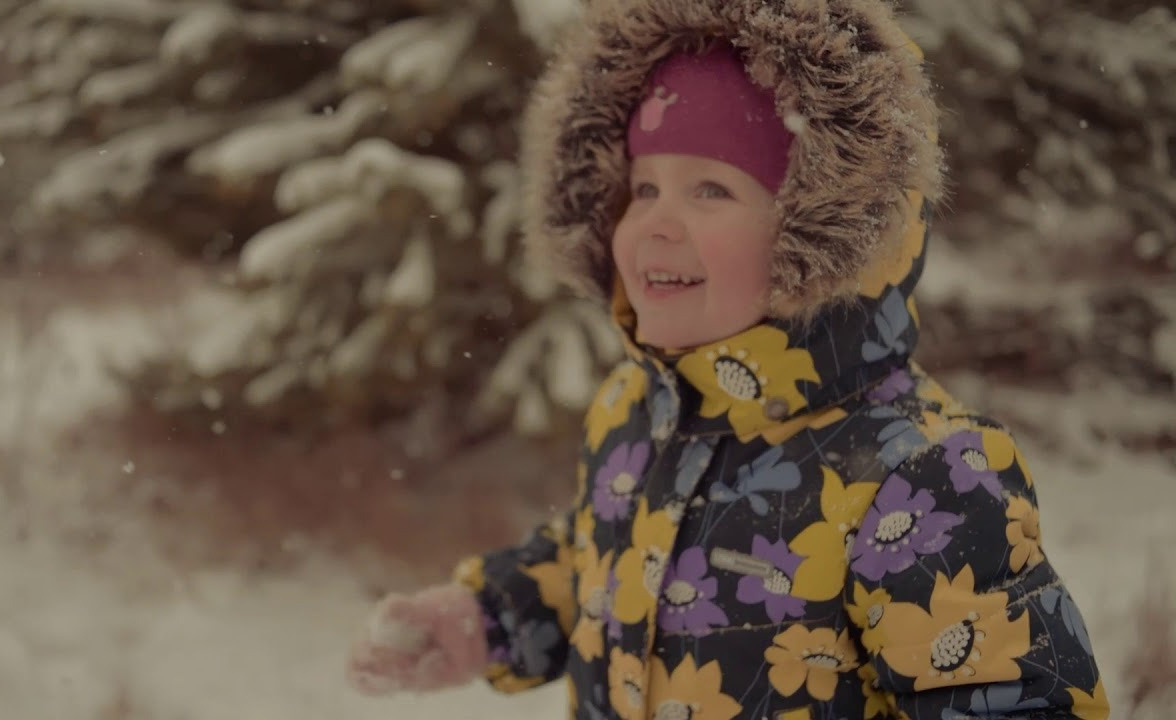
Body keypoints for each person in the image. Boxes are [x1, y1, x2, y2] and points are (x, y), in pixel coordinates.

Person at [346, 0, 1110, 717]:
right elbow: (604, 564)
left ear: (819, 229)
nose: (654, 225)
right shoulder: (635, 409)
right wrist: (489, 618)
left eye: (710, 190)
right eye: (643, 188)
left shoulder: (917, 474)